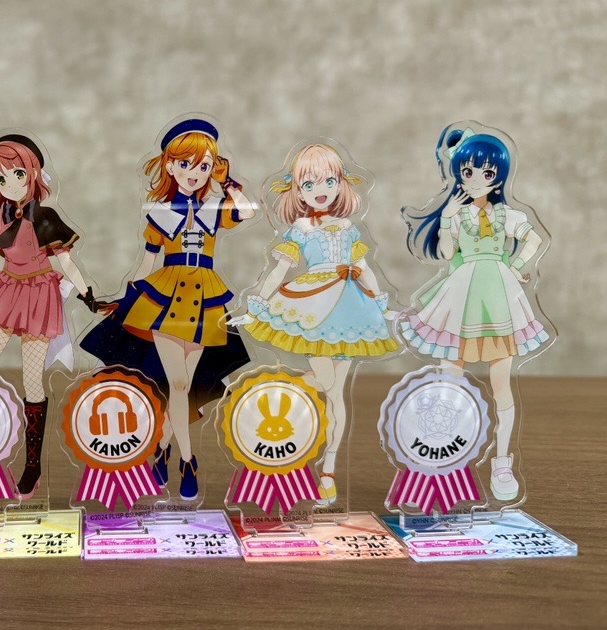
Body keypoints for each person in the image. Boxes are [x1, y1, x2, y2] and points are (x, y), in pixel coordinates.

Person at [80, 118, 254, 500]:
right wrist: (126, 301)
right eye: (186, 163)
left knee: (184, 388)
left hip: (205, 297)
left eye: (204, 165)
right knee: (177, 384)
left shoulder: (214, 207)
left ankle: (161, 448)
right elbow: (146, 262)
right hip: (168, 296)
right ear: (170, 166)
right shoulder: (160, 212)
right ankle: (188, 461)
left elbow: (247, 212)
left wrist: (227, 183)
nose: (195, 172)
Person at [230, 143, 398, 503]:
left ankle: (328, 470)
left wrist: (382, 305)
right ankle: (281, 389)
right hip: (313, 306)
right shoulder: (301, 228)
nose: (320, 190)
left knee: (336, 395)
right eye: (309, 184)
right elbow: (279, 270)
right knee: (326, 382)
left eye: (328, 181)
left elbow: (364, 268)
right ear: (298, 190)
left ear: (340, 183)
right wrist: (257, 307)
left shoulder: (349, 228)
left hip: (351, 309)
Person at [401, 125, 549, 500]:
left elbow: (534, 239)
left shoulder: (507, 215)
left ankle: (502, 462)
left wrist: (517, 265)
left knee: (501, 386)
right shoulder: (458, 214)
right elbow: (446, 254)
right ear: (459, 173)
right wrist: (447, 218)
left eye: (487, 172)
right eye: (468, 171)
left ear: (498, 175)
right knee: (449, 384)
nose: (477, 179)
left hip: (499, 296)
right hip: (461, 296)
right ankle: (446, 458)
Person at [0, 134, 106, 499]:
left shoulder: (44, 216)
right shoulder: (0, 216)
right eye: (0, 178)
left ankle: (32, 465)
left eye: (16, 174)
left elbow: (66, 262)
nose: (9, 184)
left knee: (32, 381)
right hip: (7, 289)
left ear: (32, 172)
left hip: (39, 293)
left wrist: (87, 293)